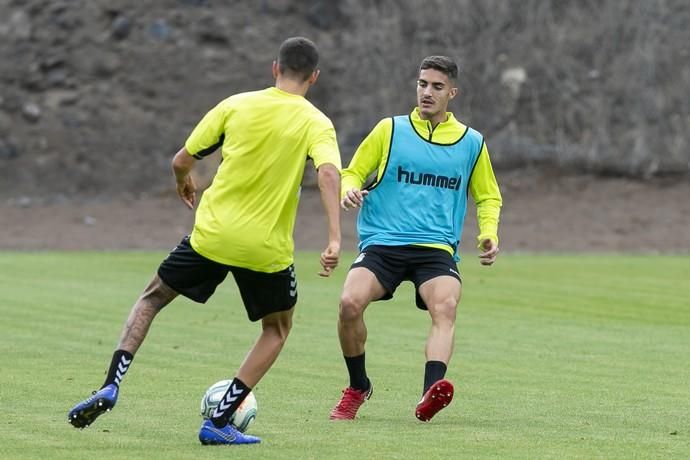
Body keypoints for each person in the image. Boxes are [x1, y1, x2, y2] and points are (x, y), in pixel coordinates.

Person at [67, 37, 342, 445]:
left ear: (274, 68)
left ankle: (111, 383)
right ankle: (220, 419)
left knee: (151, 299)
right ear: (314, 77)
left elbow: (181, 160)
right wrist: (335, 237)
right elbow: (328, 173)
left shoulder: (235, 105)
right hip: (265, 249)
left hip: (210, 236)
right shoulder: (316, 122)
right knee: (276, 330)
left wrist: (184, 183)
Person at [329, 56, 502, 422]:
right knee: (348, 303)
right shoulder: (389, 130)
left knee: (446, 307)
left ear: (452, 93)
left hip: (435, 249)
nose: (427, 92)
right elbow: (353, 171)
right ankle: (357, 386)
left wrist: (488, 233)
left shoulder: (471, 143)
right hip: (383, 244)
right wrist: (349, 189)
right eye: (422, 84)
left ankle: (430, 394)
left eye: (437, 87)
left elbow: (488, 195)